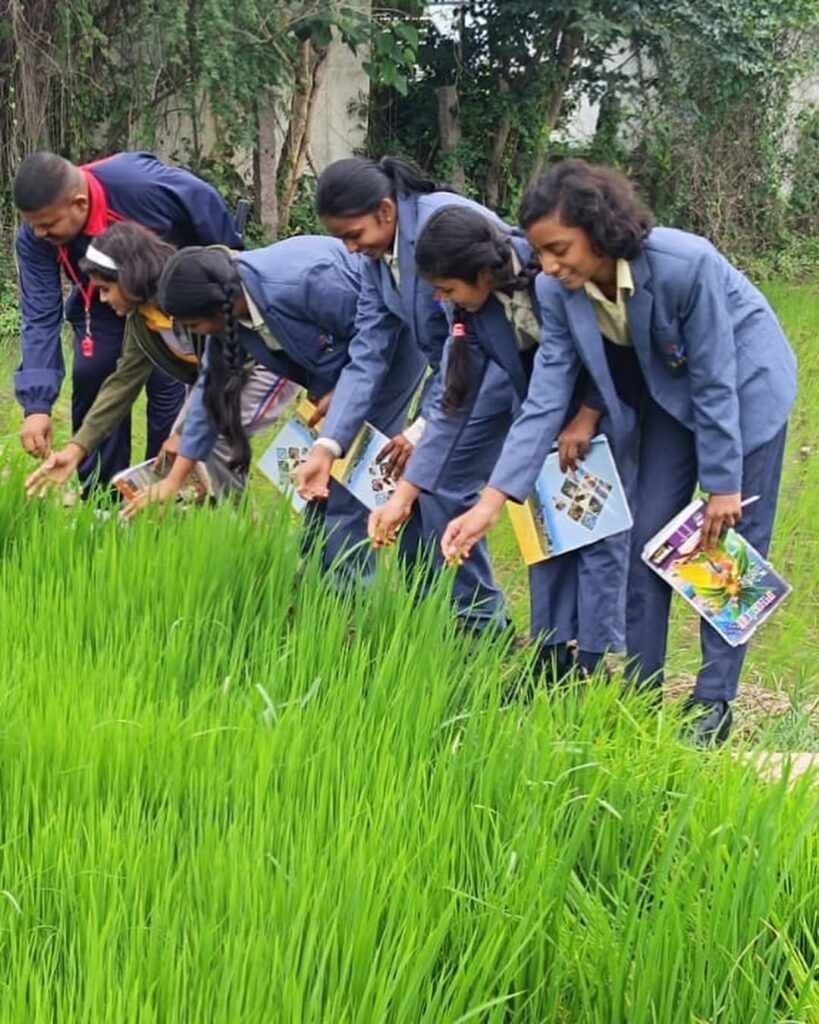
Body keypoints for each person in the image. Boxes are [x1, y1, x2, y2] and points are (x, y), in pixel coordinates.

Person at [441, 159, 797, 744]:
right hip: (666, 395)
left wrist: (723, 487)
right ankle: (639, 689)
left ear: (600, 229)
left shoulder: (687, 265)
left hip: (744, 391)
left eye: (560, 249)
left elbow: (714, 379)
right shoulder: (558, 291)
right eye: (541, 253)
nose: (549, 267)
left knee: (727, 554)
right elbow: (545, 396)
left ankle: (714, 702)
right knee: (646, 540)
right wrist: (490, 502)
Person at [369, 204, 635, 684]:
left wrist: (589, 413)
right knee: (544, 529)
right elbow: (454, 400)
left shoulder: (551, 278)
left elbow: (610, 344)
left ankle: (593, 665)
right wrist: (405, 494)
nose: (441, 298)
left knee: (593, 532)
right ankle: (552, 652)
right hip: (539, 412)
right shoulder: (469, 305)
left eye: (448, 288)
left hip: (596, 410)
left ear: (483, 272)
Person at [295, 156, 517, 633]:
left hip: (496, 370)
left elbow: (473, 340)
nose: (352, 250)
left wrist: (422, 428)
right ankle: (428, 614)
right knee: (409, 489)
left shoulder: (441, 225)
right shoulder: (380, 259)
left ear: (386, 211)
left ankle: (483, 626)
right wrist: (327, 446)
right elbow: (369, 351)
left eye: (354, 235)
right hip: (453, 373)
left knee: (442, 487)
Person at [133, 240, 426, 571]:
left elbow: (375, 338)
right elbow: (209, 390)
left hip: (390, 354)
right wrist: (174, 480)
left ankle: (347, 593)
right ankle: (315, 570)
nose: (194, 334)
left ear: (219, 306)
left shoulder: (308, 281)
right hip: (341, 368)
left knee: (350, 481)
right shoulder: (233, 311)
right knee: (318, 478)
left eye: (194, 325)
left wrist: (344, 391)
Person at [13, 150, 243, 489]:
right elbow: (40, 315)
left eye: (47, 224)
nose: (39, 233)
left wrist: (229, 283)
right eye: (32, 225)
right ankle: (102, 497)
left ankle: (166, 492)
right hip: (103, 303)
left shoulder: (139, 187)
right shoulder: (36, 235)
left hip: (173, 297)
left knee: (169, 389)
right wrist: (37, 404)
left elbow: (207, 209)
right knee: (94, 374)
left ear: (79, 203)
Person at [24, 221, 299, 502]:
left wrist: (186, 435)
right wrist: (76, 450)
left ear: (129, 278)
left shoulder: (190, 292)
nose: (103, 299)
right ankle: (213, 523)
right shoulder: (143, 320)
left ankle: (236, 528)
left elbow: (230, 365)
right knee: (181, 451)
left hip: (268, 361)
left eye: (106, 288)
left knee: (212, 440)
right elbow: (122, 384)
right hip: (216, 376)